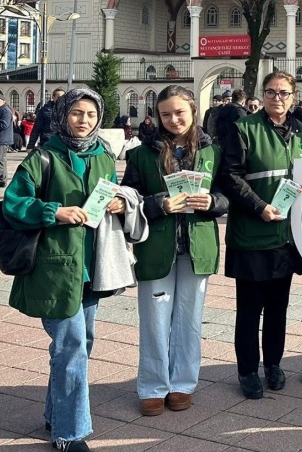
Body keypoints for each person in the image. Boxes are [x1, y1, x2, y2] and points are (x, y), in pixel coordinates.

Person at [4, 88, 145, 452]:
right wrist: (54, 211)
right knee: (71, 347)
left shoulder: (103, 155)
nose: (84, 121)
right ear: (63, 115)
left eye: (91, 115)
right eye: (77, 113)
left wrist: (118, 203)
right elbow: (13, 204)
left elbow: (110, 194)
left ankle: (55, 413)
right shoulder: (43, 157)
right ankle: (70, 430)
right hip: (54, 268)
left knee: (83, 343)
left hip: (92, 268)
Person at [123, 85, 229, 414]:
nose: (173, 119)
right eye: (166, 114)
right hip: (156, 246)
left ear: (193, 111)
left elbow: (226, 195)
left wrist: (212, 202)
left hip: (197, 245)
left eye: (180, 112)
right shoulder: (142, 154)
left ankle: (183, 383)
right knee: (154, 319)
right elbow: (129, 199)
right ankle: (153, 385)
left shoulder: (213, 152)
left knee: (189, 317)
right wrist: (159, 204)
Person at [218, 72, 302, 399]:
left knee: (278, 308)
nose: (277, 98)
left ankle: (273, 364)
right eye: (271, 92)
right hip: (252, 234)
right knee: (249, 310)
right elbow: (230, 176)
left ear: (293, 96)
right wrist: (259, 207)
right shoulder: (244, 128)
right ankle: (247, 371)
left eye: (284, 93)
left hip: (286, 236)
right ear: (262, 95)